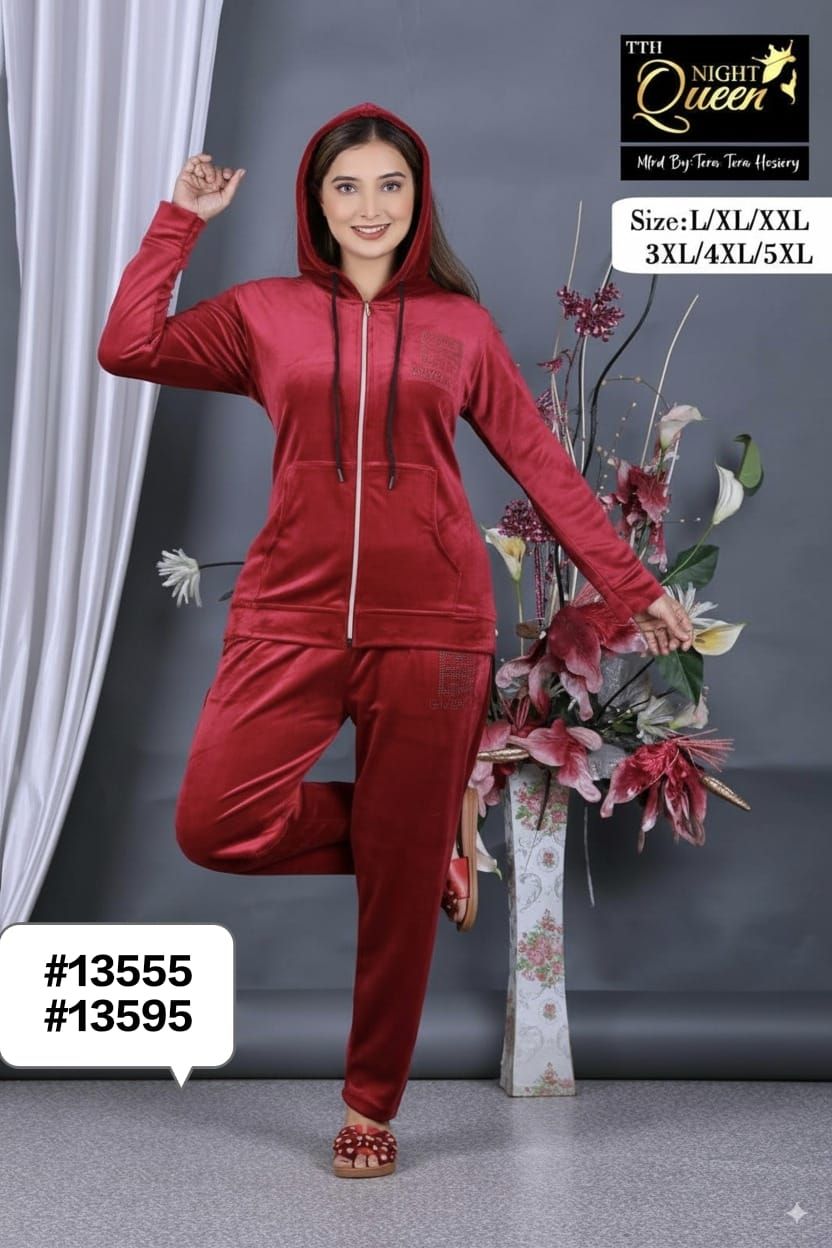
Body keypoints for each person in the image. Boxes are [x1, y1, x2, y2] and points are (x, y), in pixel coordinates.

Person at [97, 100, 694, 1178]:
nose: (369, 207)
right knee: (214, 823)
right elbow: (127, 345)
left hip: (435, 626)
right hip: (287, 613)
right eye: (346, 187)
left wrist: (632, 584)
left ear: (418, 200)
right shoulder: (263, 314)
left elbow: (540, 465)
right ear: (315, 203)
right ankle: (418, 847)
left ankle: (370, 1105)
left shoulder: (459, 328)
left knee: (397, 866)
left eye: (389, 185)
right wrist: (178, 222)